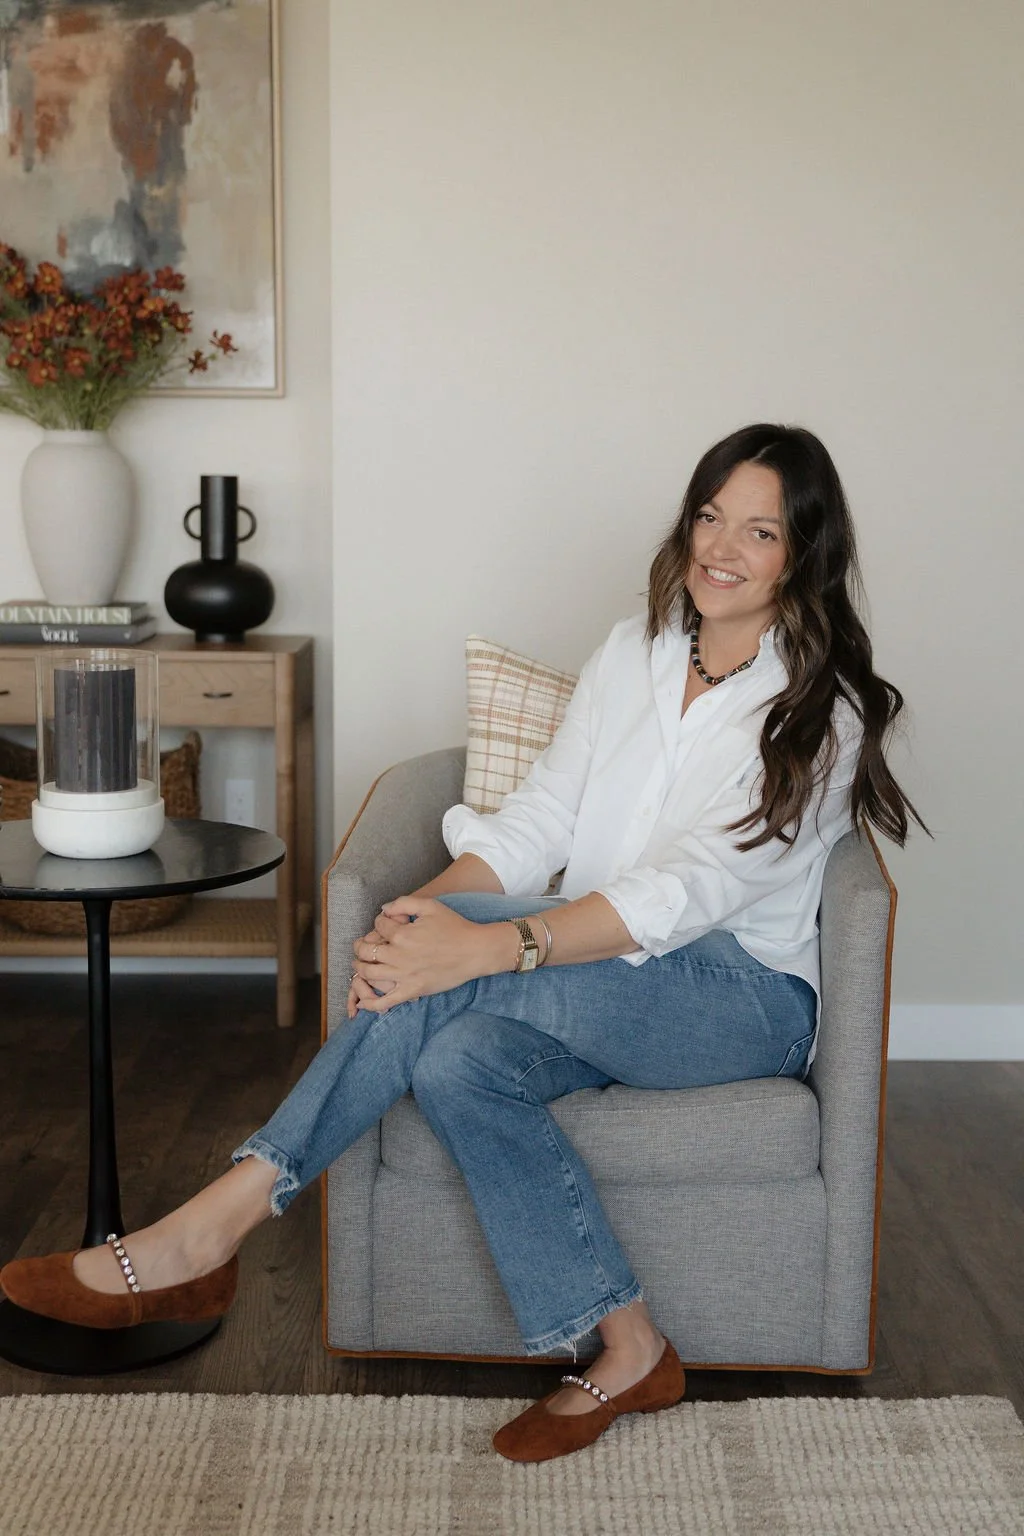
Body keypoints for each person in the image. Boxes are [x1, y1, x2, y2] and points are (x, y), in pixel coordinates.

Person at [1, 423, 926, 1463]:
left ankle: (204, 1231)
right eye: (710, 514)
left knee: (457, 975)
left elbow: (687, 891)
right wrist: (419, 921)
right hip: (603, 968)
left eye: (757, 531)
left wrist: (497, 947)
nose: (721, 545)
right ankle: (629, 1348)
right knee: (451, 1057)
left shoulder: (821, 709)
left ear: (802, 553)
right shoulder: (636, 651)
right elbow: (541, 821)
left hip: (734, 996)